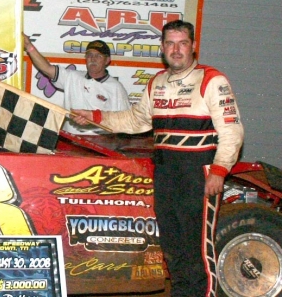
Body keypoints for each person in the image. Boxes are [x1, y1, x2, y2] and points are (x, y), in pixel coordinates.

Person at [72, 20, 244, 297]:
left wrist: (219, 169)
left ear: (193, 46)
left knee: (197, 247)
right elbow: (135, 120)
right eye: (170, 43)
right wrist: (95, 116)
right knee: (173, 246)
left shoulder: (212, 80)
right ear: (162, 48)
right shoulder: (157, 83)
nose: (176, 50)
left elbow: (232, 130)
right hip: (165, 173)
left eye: (183, 43)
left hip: (197, 172)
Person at [23, 33, 130, 134]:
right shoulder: (72, 77)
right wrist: (29, 46)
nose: (93, 59)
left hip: (102, 144)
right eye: (89, 55)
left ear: (107, 60)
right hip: (71, 141)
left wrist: (94, 120)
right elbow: (46, 68)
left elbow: (125, 122)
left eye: (98, 56)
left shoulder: (116, 87)